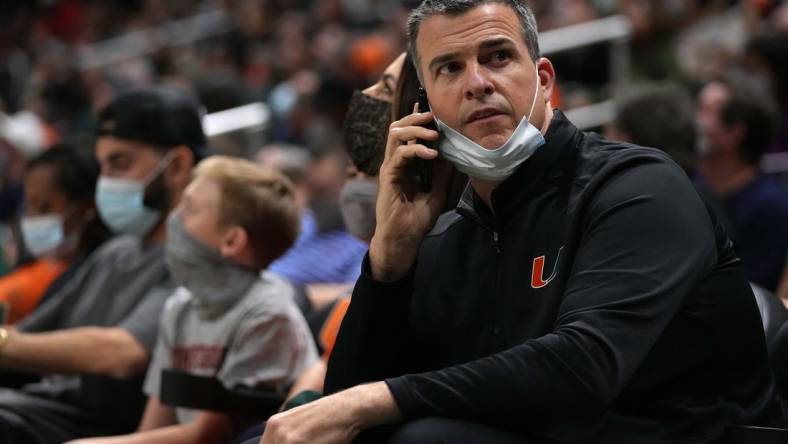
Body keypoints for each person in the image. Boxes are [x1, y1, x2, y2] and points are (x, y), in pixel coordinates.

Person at [260, 1, 782, 443]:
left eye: (498, 57)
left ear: (544, 79)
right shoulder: (445, 240)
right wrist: (388, 263)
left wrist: (379, 400)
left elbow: (583, 370)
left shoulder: (639, 186)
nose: (478, 83)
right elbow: (349, 411)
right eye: (449, 68)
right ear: (424, 110)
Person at [0, 87, 204, 444]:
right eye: (103, 165)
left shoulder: (201, 262)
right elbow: (24, 337)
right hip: (35, 408)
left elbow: (122, 353)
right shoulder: (115, 253)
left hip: (95, 431)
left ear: (177, 166)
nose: (105, 181)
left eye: (120, 163)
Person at [67, 156, 318, 444]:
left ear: (232, 241)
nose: (174, 218)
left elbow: (209, 435)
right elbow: (152, 429)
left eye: (189, 208)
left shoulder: (266, 315)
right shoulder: (181, 305)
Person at [695, 73, 788, 293]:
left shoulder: (772, 208)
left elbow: (753, 296)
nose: (694, 120)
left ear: (734, 133)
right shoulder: (689, 181)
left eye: (705, 111)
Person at [0, 144, 110, 325]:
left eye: (45, 208)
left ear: (85, 210)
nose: (32, 219)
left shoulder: (100, 273)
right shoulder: (42, 264)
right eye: (29, 207)